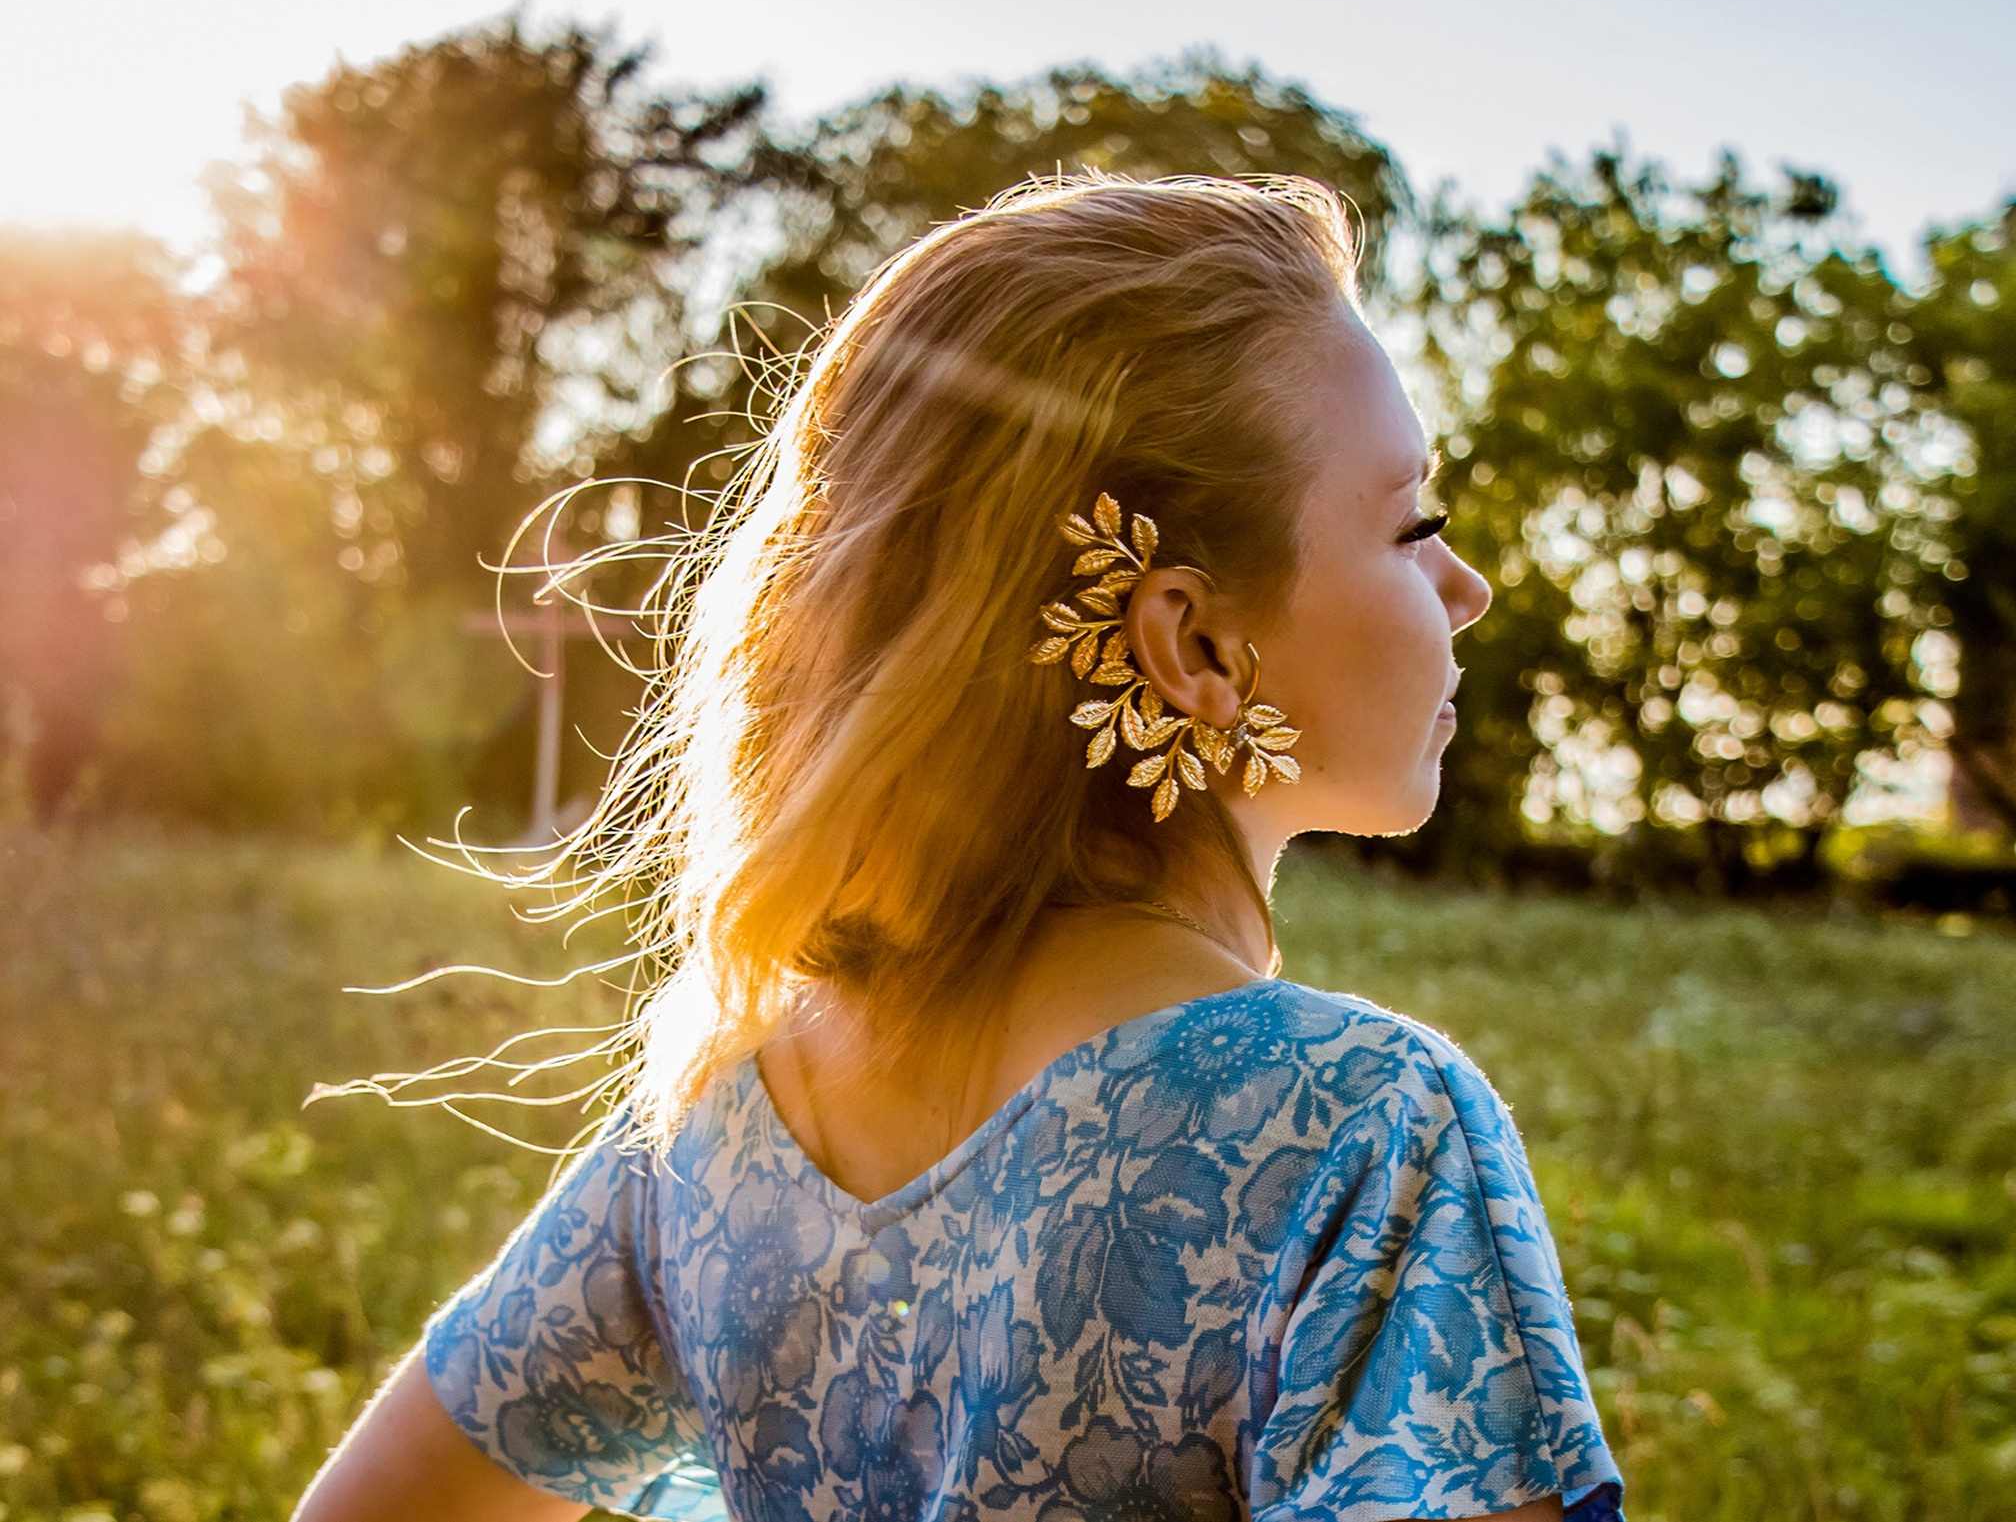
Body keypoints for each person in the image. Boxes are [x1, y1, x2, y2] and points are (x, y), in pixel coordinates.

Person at [295, 175, 1625, 1522]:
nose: (1467, 587)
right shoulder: (1360, 1126)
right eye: (1413, 527)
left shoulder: (728, 1124)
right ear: (1194, 645)